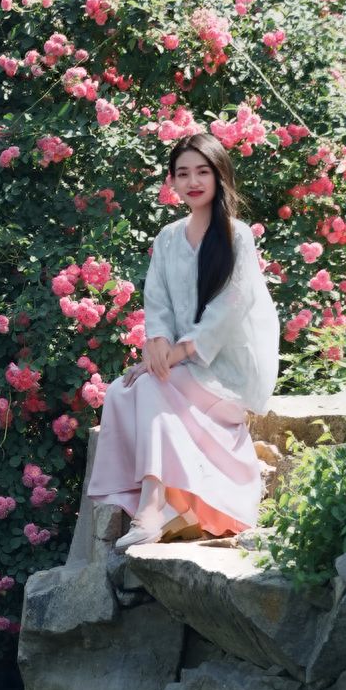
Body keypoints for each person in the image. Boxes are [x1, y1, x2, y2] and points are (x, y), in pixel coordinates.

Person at [86, 133, 280, 552]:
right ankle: (155, 503)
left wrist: (177, 353)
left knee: (152, 386)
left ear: (219, 175)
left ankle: (151, 508)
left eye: (202, 172)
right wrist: (157, 344)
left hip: (226, 372)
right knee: (122, 390)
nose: (193, 182)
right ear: (172, 180)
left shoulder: (237, 236)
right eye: (183, 173)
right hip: (185, 368)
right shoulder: (168, 237)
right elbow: (156, 301)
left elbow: (229, 309)